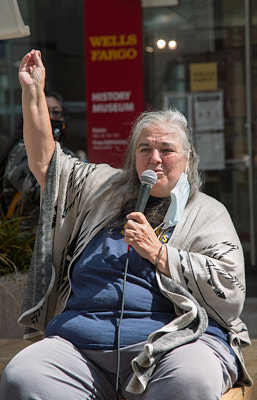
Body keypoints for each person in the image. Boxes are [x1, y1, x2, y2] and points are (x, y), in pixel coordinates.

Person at [0, 49, 252, 400]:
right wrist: (32, 92)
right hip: (81, 344)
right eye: (145, 149)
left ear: (189, 158)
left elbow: (232, 290)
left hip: (173, 343)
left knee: (190, 381)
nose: (155, 158)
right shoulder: (101, 188)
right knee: (24, 376)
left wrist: (161, 254)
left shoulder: (207, 212)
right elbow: (46, 162)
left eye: (167, 149)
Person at [1, 89, 74, 232]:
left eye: (56, 112)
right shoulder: (23, 151)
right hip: (25, 247)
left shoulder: (66, 153)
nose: (51, 117)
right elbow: (40, 191)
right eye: (45, 111)